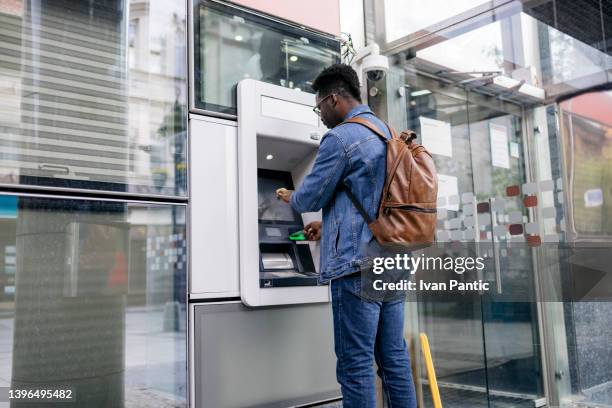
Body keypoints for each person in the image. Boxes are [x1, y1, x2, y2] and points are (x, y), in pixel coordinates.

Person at [275, 64, 417, 408]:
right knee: (394, 359)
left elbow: (309, 197)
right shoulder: (387, 133)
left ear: (334, 99)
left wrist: (287, 196)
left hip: (357, 269)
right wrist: (329, 226)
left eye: (319, 106)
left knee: (356, 365)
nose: (320, 114)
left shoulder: (340, 138)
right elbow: (372, 199)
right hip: (392, 263)